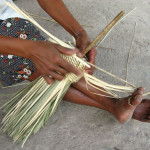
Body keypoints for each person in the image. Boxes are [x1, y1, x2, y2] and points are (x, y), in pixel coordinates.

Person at [0, 0, 149, 124]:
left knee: (44, 62)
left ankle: (115, 106)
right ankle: (113, 105)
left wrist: (79, 33)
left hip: (7, 17)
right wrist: (32, 50)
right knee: (28, 64)